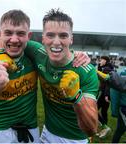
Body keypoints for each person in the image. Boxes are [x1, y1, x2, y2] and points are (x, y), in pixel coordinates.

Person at [0, 10, 90, 143]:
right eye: (8, 33)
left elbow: (58, 50)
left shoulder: (34, 57)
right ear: (0, 34)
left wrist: (76, 54)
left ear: (28, 36)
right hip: (1, 133)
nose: (14, 40)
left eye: (20, 33)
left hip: (31, 131)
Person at [24, 9, 99, 143]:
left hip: (75, 140)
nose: (56, 42)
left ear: (71, 39)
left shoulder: (86, 71)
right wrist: (0, 55)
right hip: (47, 132)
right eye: (50, 35)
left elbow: (92, 129)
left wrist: (76, 97)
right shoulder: (38, 53)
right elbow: (3, 36)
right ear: (43, 38)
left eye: (63, 36)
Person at [97, 56, 114, 138]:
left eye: (101, 60)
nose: (100, 61)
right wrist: (99, 66)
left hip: (105, 93)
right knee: (104, 112)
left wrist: (106, 95)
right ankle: (105, 129)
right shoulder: (107, 68)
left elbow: (108, 83)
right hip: (107, 93)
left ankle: (105, 128)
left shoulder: (106, 69)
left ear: (105, 61)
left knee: (93, 110)